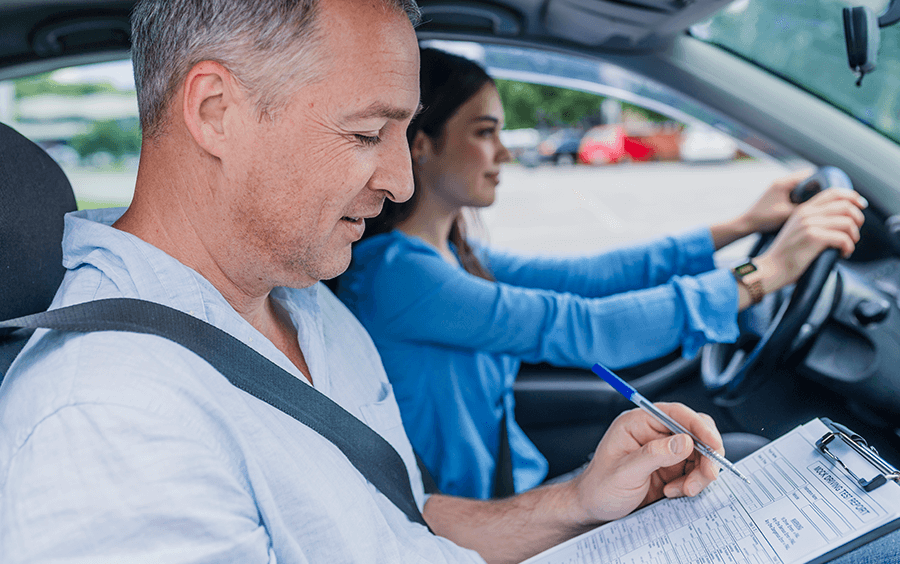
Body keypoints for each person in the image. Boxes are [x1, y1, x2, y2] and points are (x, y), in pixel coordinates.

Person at [0, 0, 728, 564]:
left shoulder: (308, 307)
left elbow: (398, 527)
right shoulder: (111, 420)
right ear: (216, 111)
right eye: (366, 131)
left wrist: (578, 503)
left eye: (402, 133)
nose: (400, 181)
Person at [336, 47, 869, 501]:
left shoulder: (451, 256)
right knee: (748, 465)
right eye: (484, 132)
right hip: (478, 520)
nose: (504, 151)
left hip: (513, 483)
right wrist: (766, 273)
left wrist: (741, 226)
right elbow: (586, 327)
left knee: (739, 463)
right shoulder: (397, 277)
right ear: (421, 144)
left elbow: (589, 278)